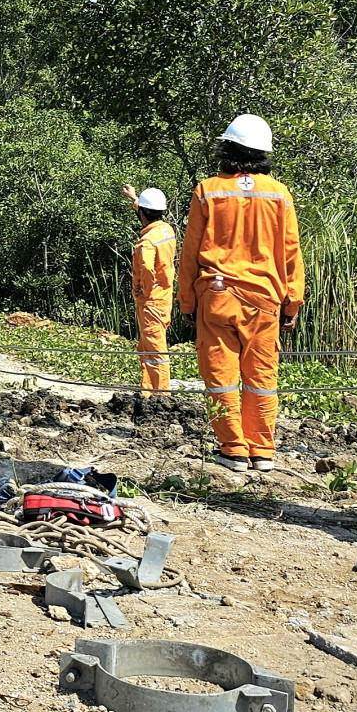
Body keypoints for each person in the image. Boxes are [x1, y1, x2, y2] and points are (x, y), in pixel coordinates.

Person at [175, 114, 303, 472]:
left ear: (227, 148)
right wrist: (292, 304)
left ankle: (233, 449)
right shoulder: (279, 195)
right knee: (261, 379)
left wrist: (187, 301)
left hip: (216, 297)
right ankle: (261, 451)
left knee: (221, 377)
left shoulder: (208, 190)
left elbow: (190, 252)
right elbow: (291, 252)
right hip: (265, 301)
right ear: (265, 154)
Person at [121, 185, 176, 398]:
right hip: (164, 298)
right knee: (147, 346)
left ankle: (161, 395)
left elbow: (145, 267)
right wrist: (134, 199)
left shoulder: (147, 242)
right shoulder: (166, 230)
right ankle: (147, 391)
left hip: (151, 302)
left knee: (155, 350)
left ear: (143, 213)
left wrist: (143, 288)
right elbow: (148, 216)